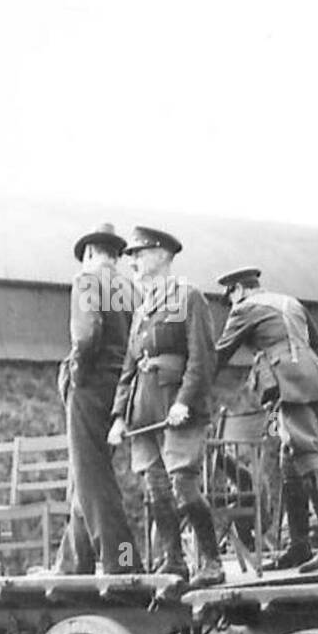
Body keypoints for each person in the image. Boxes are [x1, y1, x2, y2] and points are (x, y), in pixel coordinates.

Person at [212, 266, 318, 573]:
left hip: (289, 381)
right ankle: (299, 545)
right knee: (290, 461)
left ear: (239, 290)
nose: (231, 304)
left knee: (304, 454)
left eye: (230, 296)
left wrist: (190, 391)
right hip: (311, 379)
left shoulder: (246, 308)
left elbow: (219, 354)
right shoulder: (291, 302)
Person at [108, 226, 223, 586]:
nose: (134, 262)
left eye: (140, 254)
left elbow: (203, 358)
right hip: (144, 414)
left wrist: (184, 401)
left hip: (177, 410)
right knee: (156, 489)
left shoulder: (188, 296)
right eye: (131, 257)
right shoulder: (141, 311)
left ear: (162, 255)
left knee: (183, 486)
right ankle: (173, 561)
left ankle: (211, 561)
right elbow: (129, 369)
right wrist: (117, 417)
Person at [52, 222, 142, 574]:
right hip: (122, 391)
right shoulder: (131, 289)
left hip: (91, 387)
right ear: (116, 255)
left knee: (94, 479)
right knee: (87, 475)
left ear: (89, 253)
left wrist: (76, 372)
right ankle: (73, 564)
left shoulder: (86, 280)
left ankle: (123, 563)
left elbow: (87, 335)